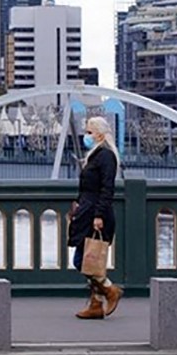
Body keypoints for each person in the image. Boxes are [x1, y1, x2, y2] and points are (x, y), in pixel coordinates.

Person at [68, 116, 123, 319]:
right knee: (91, 261)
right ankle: (96, 304)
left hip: (96, 214)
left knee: (82, 259)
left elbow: (106, 188)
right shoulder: (96, 154)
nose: (86, 135)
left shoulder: (106, 155)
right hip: (87, 212)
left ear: (100, 134)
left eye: (90, 132)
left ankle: (110, 290)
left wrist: (99, 215)